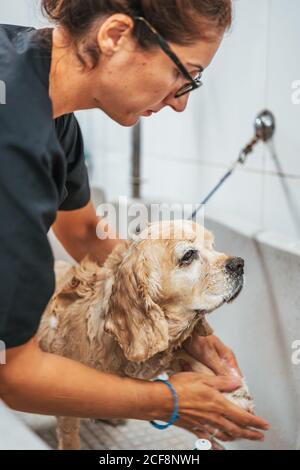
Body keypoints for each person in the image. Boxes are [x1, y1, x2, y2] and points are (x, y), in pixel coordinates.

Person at [0, 0, 269, 443]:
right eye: (185, 75)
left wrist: (187, 328)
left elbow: (85, 232)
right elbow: (15, 375)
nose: (180, 103)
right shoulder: (14, 141)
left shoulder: (49, 106)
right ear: (115, 36)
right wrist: (166, 401)